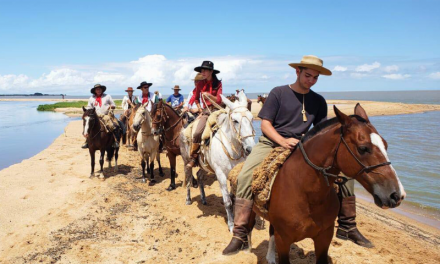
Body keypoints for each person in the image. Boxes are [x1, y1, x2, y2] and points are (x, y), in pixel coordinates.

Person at [224, 55, 371, 255]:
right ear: (297, 72)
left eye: (315, 78)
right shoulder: (279, 93)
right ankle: (240, 233)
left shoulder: (318, 101)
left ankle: (348, 226)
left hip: (304, 145)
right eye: (307, 75)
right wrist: (283, 141)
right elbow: (265, 124)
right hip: (272, 142)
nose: (310, 80)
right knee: (245, 176)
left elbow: (320, 130)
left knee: (345, 175)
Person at [186, 61, 223, 168]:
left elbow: (219, 100)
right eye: (202, 70)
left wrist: (209, 96)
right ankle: (194, 157)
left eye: (205, 70)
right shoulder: (200, 84)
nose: (203, 72)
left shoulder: (218, 84)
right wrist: (200, 109)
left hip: (217, 111)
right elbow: (196, 99)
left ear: (211, 71)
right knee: (197, 133)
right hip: (206, 112)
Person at [82, 84, 122, 149]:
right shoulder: (92, 98)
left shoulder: (107, 96)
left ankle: (115, 141)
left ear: (102, 90)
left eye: (100, 89)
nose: (99, 90)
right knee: (87, 126)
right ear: (95, 91)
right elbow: (89, 107)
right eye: (97, 89)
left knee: (113, 125)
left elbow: (113, 104)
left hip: (105, 115)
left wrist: (111, 106)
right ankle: (87, 141)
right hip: (95, 116)